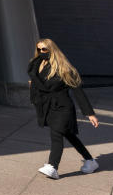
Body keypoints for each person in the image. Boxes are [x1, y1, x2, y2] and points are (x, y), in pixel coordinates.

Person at [28, 38, 100, 179]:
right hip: (47, 106)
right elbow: (39, 85)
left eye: (44, 49)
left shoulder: (64, 68)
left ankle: (52, 167)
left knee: (56, 134)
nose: (41, 52)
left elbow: (78, 91)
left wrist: (89, 113)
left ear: (51, 50)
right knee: (68, 135)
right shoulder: (36, 65)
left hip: (62, 107)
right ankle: (90, 161)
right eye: (39, 49)